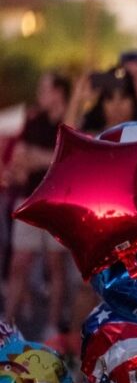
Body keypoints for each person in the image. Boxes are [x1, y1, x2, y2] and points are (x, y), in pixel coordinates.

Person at [3, 72, 71, 342]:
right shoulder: (33, 121)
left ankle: (53, 326)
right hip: (29, 199)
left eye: (45, 89)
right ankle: (7, 324)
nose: (40, 95)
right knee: (19, 263)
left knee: (56, 266)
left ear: (58, 92)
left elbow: (66, 158)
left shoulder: (69, 120)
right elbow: (21, 159)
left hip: (56, 204)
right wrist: (47, 158)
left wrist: (39, 157)